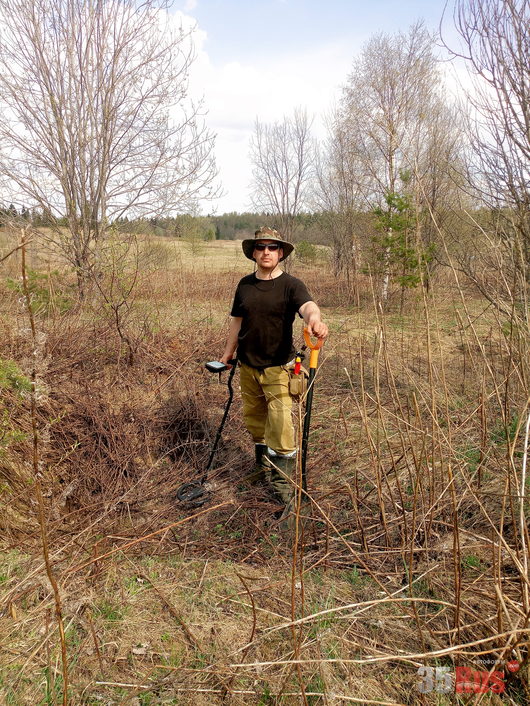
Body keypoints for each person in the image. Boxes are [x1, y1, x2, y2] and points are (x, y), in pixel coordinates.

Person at [220, 226, 328, 522]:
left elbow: (309, 307)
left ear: (280, 253)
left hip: (280, 369)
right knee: (254, 421)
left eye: (272, 247)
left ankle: (284, 489)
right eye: (260, 247)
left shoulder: (292, 285)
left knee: (281, 426)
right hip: (248, 366)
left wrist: (315, 321)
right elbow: (237, 321)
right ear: (253, 253)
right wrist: (228, 353)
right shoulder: (244, 285)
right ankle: (262, 468)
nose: (266, 252)